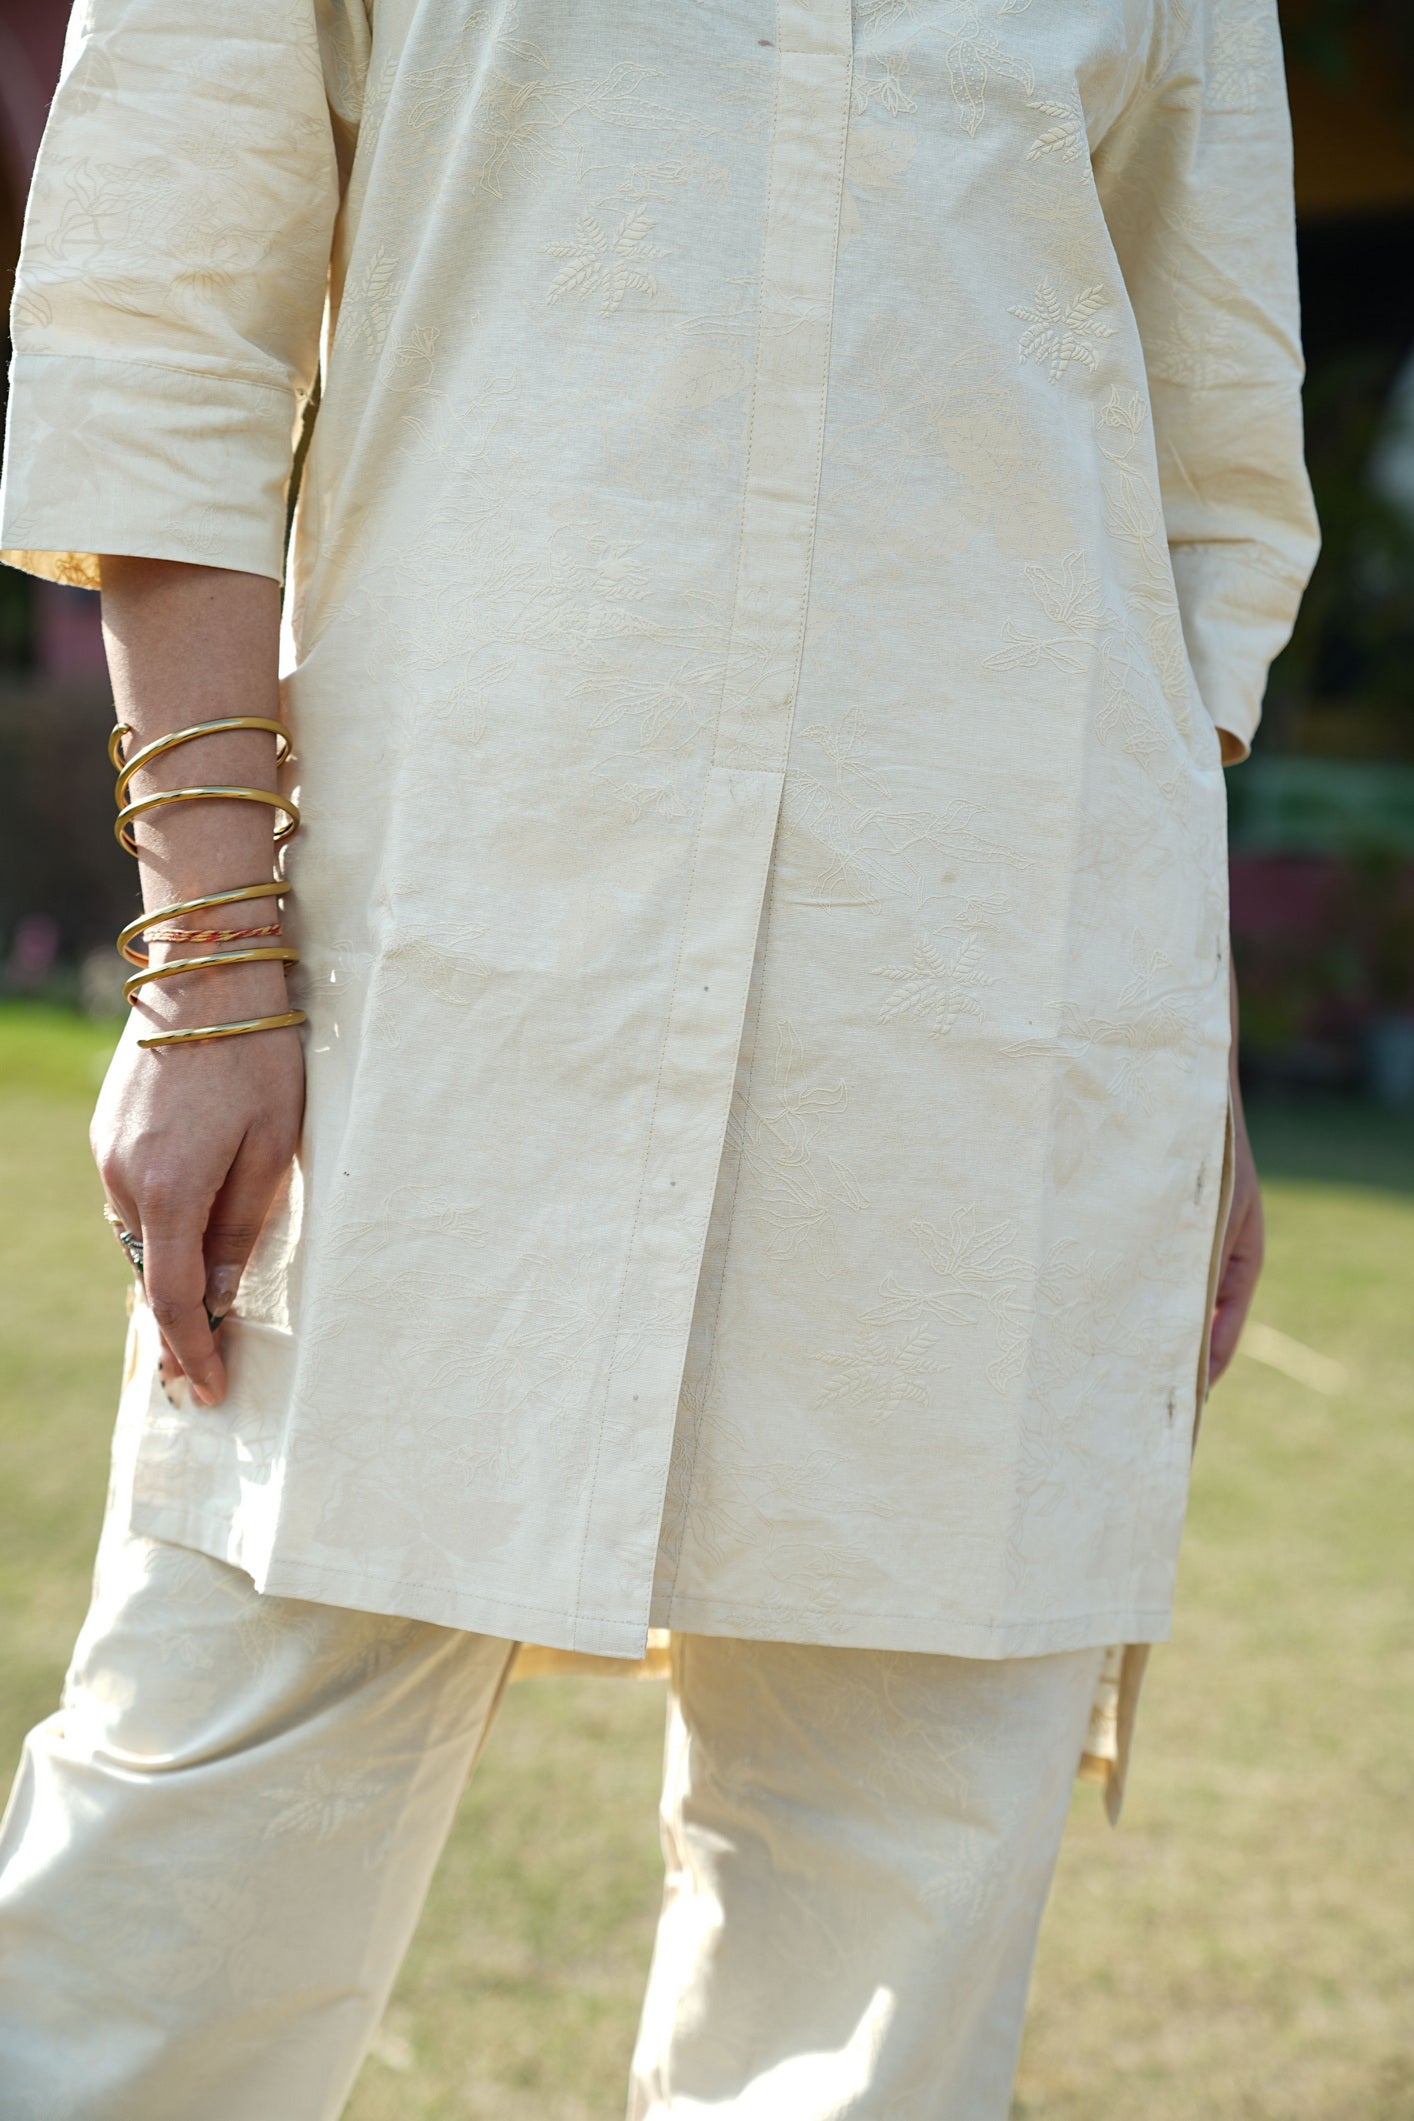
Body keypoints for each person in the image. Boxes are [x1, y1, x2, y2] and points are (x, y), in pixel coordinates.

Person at [0, 0, 1317, 2114]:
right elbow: (160, 332)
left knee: (879, 1956)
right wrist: (211, 956)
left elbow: (1191, 476)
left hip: (992, 1010)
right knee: (170, 1904)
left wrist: (1182, 1063)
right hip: (429, 978)